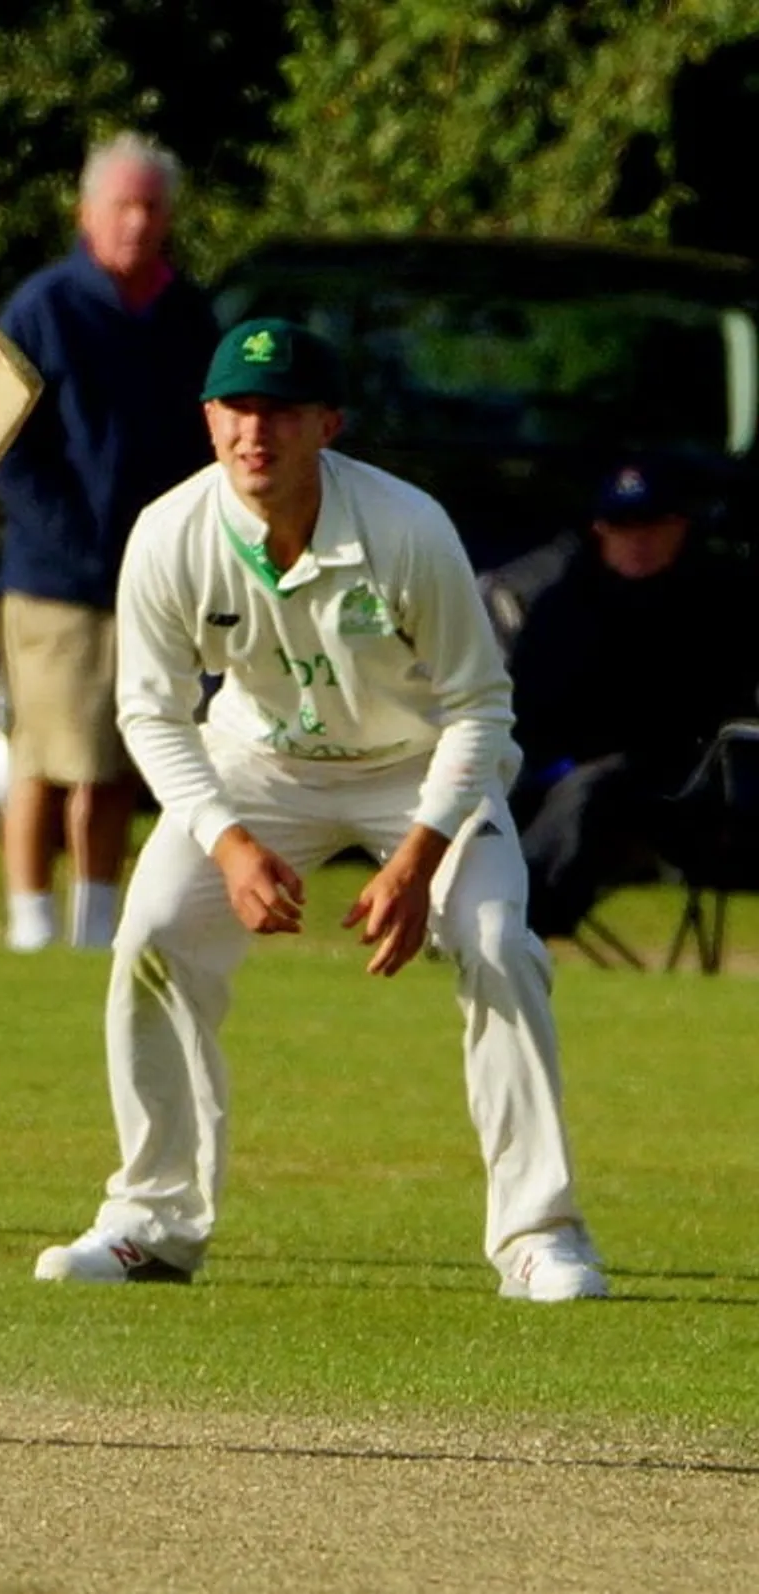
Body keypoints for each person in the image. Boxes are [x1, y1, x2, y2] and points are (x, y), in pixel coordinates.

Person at [32, 317, 607, 1303]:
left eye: (281, 412)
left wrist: (419, 855)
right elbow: (149, 711)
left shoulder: (406, 526)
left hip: (416, 767)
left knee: (497, 941)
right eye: (236, 409)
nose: (255, 433)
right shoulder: (169, 533)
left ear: (324, 425)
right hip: (258, 767)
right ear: (208, 417)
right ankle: (151, 1221)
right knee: (154, 931)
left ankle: (537, 1236)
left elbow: (479, 706)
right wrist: (228, 842)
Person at [0, 131, 218, 951]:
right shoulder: (44, 307)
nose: (136, 221)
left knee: (122, 761)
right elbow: (3, 442)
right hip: (55, 577)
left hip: (152, 579)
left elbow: (208, 440)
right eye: (122, 204)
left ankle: (95, 925)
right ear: (89, 213)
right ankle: (30, 926)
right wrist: (70, 534)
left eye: (151, 207)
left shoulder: (187, 315)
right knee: (49, 758)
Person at [490, 459, 759, 940]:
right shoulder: (562, 606)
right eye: (623, 526)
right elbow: (525, 708)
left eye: (652, 526)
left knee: (593, 789)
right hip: (553, 772)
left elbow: (719, 707)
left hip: (680, 789)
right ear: (599, 529)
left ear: (679, 527)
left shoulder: (717, 605)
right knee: (483, 786)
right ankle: (465, 909)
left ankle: (519, 917)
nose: (638, 540)